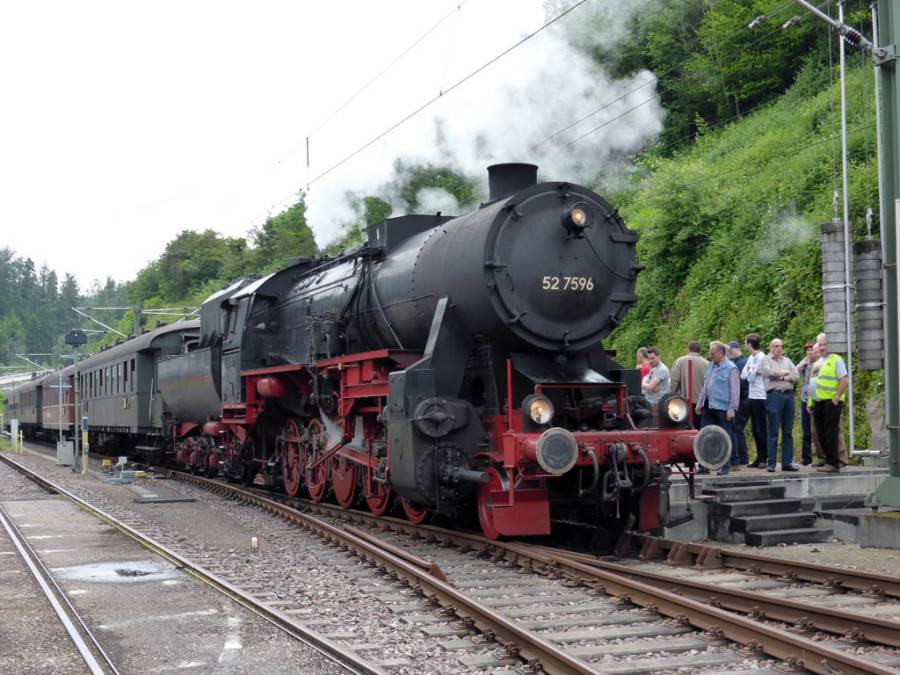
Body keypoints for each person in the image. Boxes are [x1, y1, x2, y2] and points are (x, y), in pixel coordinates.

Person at [695, 341, 740, 475]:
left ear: (720, 353)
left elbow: (735, 391)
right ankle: (704, 466)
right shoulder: (710, 366)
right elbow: (705, 386)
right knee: (705, 436)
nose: (710, 355)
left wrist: (732, 409)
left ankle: (725, 466)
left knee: (725, 437)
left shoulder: (731, 368)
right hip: (708, 406)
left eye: (712, 353)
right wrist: (699, 403)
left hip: (723, 408)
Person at [810, 333, 850, 473]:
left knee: (830, 432)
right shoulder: (817, 362)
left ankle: (833, 463)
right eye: (819, 344)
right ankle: (829, 459)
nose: (821, 347)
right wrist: (810, 402)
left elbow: (844, 379)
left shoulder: (836, 359)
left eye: (824, 344)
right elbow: (813, 383)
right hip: (818, 401)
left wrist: (837, 396)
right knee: (820, 433)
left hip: (831, 401)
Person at [759, 338, 799, 472]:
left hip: (788, 396)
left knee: (788, 431)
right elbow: (769, 372)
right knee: (773, 430)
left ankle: (787, 463)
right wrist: (783, 373)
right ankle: (771, 463)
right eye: (776, 346)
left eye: (781, 346)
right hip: (774, 396)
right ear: (770, 347)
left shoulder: (787, 360)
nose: (779, 348)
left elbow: (796, 375)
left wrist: (782, 377)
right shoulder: (765, 359)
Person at [741, 334, 768, 468]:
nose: (745, 345)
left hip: (760, 396)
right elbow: (743, 375)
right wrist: (753, 372)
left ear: (750, 344)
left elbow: (750, 378)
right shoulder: (751, 358)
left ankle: (764, 457)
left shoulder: (761, 357)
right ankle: (759, 456)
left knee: (761, 428)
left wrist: (752, 373)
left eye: (745, 343)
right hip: (752, 396)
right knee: (755, 428)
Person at [669, 341, 708, 429]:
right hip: (701, 403)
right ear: (700, 351)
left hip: (684, 402)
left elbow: (674, 381)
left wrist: (671, 396)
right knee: (700, 428)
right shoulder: (707, 364)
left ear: (688, 349)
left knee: (685, 428)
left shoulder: (679, 361)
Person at [727, 341, 750, 464]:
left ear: (736, 349)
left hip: (742, 398)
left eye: (730, 350)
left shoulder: (741, 363)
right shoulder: (736, 363)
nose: (728, 354)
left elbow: (741, 384)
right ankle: (742, 456)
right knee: (737, 428)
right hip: (741, 398)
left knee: (737, 428)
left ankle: (743, 457)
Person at [795, 340, 816, 465]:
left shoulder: (819, 363)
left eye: (811, 350)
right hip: (805, 399)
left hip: (817, 398)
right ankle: (806, 457)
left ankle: (823, 456)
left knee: (818, 429)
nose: (809, 352)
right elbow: (794, 373)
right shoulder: (805, 364)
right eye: (807, 350)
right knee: (806, 429)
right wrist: (802, 363)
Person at [641, 348, 670, 414]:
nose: (650, 361)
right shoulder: (654, 369)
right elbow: (645, 384)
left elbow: (650, 387)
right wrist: (646, 385)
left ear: (659, 356)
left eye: (652, 358)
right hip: (650, 402)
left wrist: (647, 386)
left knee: (654, 423)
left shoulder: (662, 369)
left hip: (657, 404)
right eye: (649, 359)